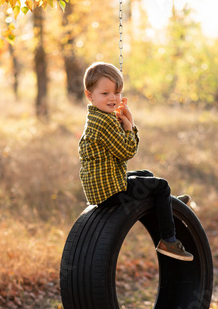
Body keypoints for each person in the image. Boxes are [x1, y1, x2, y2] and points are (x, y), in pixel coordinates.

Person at [78, 62, 193, 262]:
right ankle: (168, 241)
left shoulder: (97, 117)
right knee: (161, 185)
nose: (113, 98)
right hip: (110, 192)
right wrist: (130, 127)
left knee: (146, 175)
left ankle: (166, 206)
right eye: (105, 94)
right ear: (90, 95)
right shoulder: (105, 123)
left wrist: (123, 124)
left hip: (102, 185)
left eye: (117, 92)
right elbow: (127, 151)